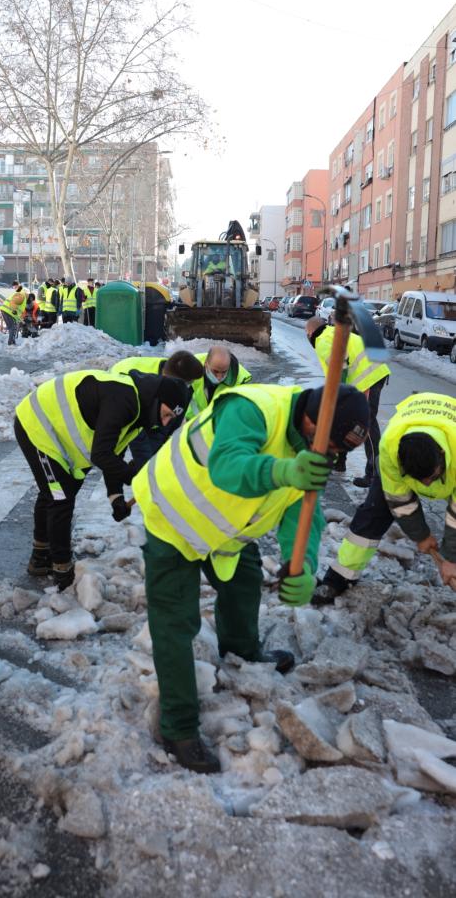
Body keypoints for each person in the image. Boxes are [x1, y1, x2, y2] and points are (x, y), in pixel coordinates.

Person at [131, 383, 370, 773]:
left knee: (243, 583)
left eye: (338, 452)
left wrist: (303, 566)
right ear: (311, 418)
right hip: (172, 519)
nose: (330, 456)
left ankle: (242, 653)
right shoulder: (251, 408)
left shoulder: (311, 451)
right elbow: (227, 466)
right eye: (328, 445)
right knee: (176, 623)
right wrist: (284, 471)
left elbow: (302, 514)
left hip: (223, 533)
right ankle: (178, 728)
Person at [14, 370, 191, 590]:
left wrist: (115, 497)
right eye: (165, 414)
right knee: (60, 497)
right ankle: (62, 570)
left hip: (58, 436)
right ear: (157, 400)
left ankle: (41, 556)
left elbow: (113, 455)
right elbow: (101, 455)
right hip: (37, 424)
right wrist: (134, 478)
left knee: (57, 491)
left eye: (170, 419)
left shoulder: (139, 414)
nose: (164, 423)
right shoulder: (124, 399)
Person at [314, 391, 456, 603]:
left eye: (431, 477)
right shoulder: (390, 448)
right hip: (411, 433)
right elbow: (401, 502)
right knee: (372, 514)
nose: (425, 485)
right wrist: (421, 535)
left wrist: (451, 559)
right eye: (417, 479)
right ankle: (338, 577)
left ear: (442, 456)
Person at [306, 316, 390, 487]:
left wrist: (340, 392)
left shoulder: (322, 340)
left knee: (367, 424)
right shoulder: (333, 332)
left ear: (310, 333)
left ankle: (374, 475)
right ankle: (340, 462)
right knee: (346, 418)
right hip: (373, 374)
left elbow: (341, 364)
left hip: (369, 378)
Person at [110, 351, 205, 468]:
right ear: (176, 381)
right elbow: (137, 433)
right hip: (120, 390)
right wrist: (146, 465)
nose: (191, 384)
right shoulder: (146, 388)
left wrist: (161, 450)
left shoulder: (181, 383)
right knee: (124, 448)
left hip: (147, 394)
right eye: (188, 382)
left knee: (154, 448)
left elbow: (173, 419)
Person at [185, 346, 252, 420]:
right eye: (215, 371)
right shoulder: (190, 366)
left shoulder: (240, 381)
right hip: (192, 418)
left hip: (221, 421)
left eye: (224, 372)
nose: (219, 377)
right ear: (206, 364)